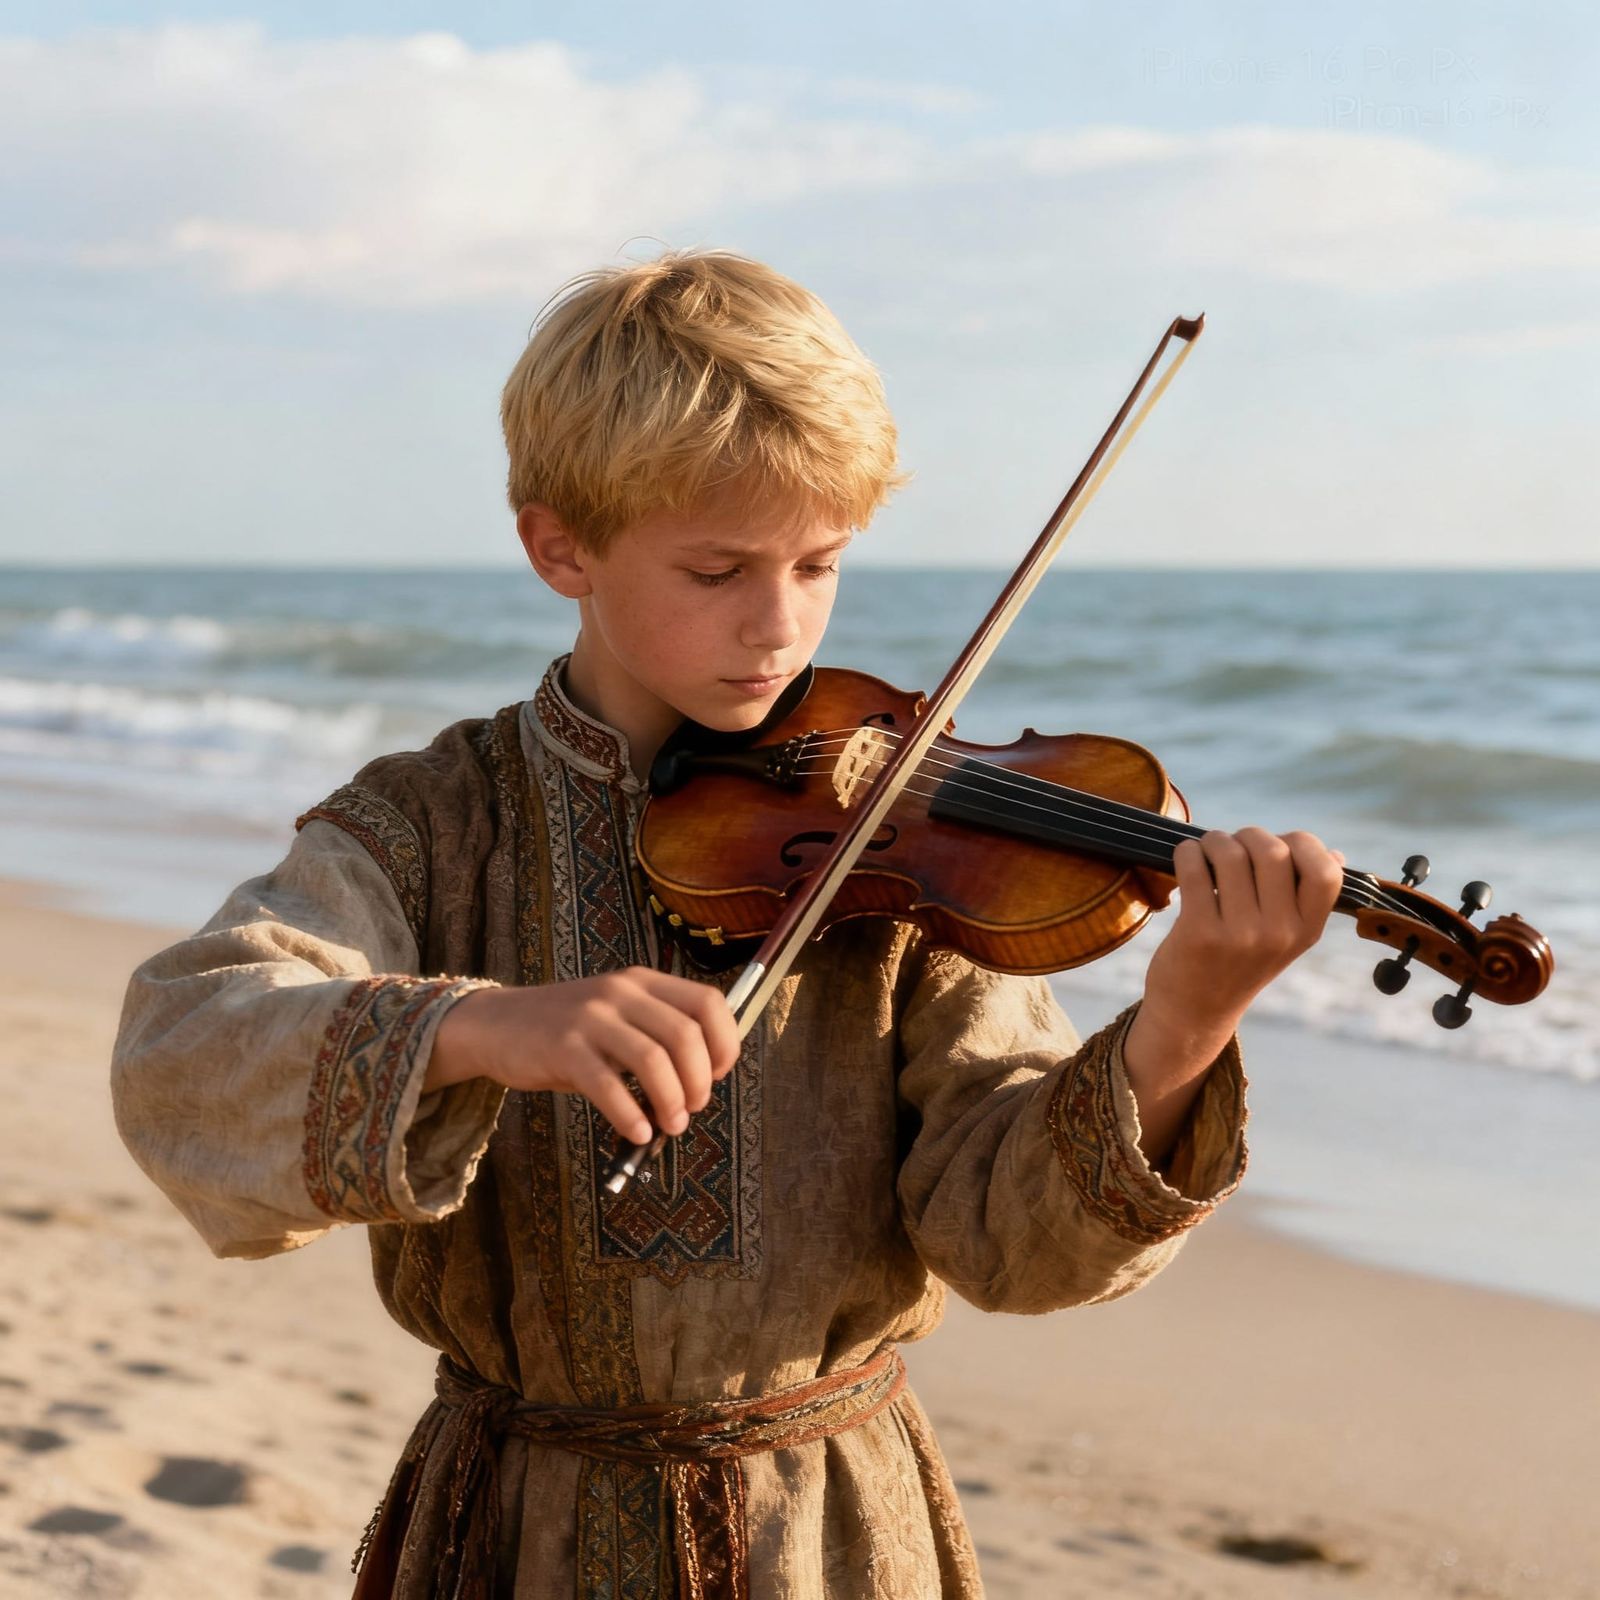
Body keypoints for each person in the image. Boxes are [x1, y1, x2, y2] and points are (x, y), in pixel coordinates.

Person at [111, 249, 1343, 1599]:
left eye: (821, 564)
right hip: (515, 1533)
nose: (779, 624)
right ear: (557, 545)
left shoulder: (900, 837)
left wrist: (1182, 1023)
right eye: (717, 569)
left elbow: (1010, 1242)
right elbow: (185, 1045)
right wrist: (478, 1027)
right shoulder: (431, 826)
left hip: (823, 1538)